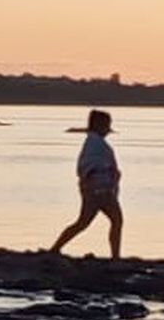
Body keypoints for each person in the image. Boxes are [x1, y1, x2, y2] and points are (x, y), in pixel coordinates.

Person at [49, 109, 123, 259]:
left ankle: (55, 249)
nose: (108, 129)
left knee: (84, 222)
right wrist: (102, 185)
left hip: (97, 188)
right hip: (100, 189)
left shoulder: (95, 143)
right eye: (106, 125)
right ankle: (115, 256)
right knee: (115, 220)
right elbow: (91, 167)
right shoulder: (95, 144)